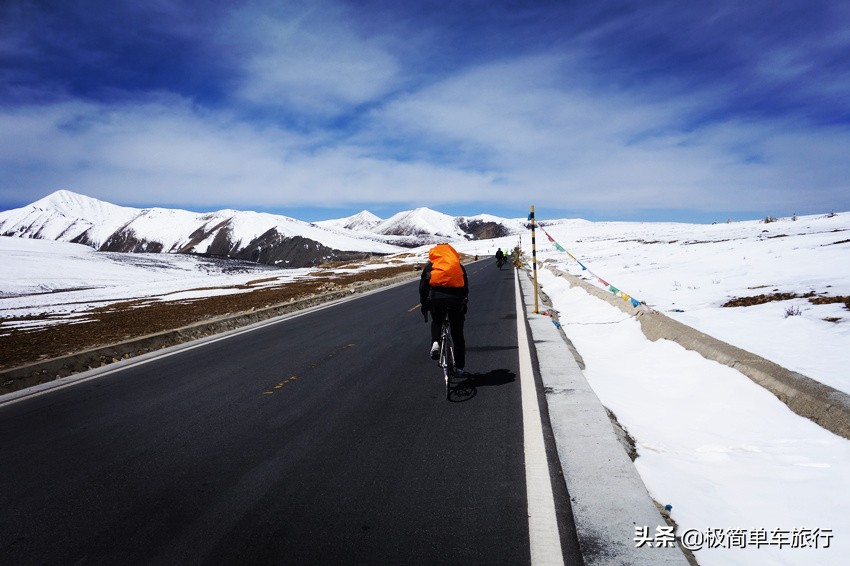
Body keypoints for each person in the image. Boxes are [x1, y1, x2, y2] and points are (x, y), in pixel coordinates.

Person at [420, 243, 469, 375]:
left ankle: (436, 342)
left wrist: (424, 306)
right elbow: (465, 288)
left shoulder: (430, 268)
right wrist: (464, 303)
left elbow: (423, 289)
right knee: (457, 334)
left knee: (437, 321)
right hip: (455, 301)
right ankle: (459, 368)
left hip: (436, 301)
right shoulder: (458, 267)